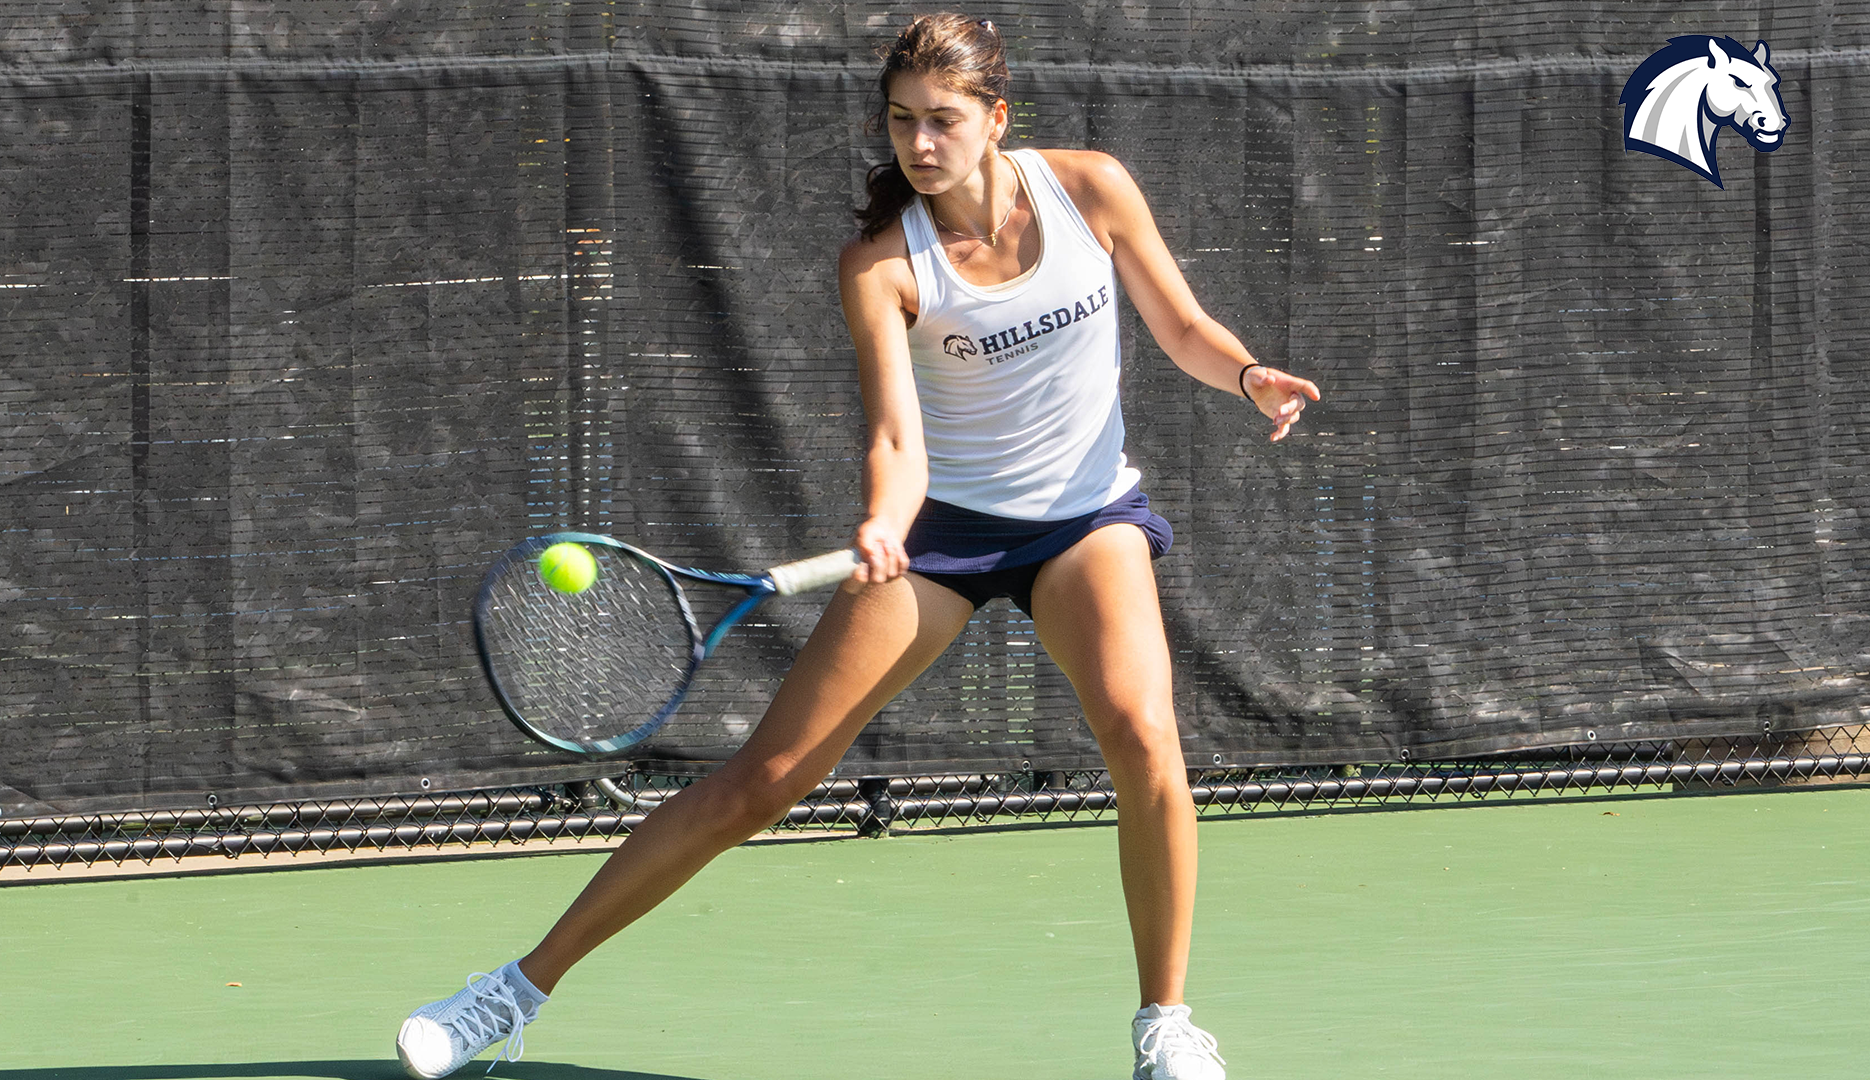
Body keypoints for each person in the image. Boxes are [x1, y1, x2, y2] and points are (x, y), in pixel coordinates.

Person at [395, 13, 1320, 1080]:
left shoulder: (1090, 186)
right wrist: (885, 521)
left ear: (995, 119)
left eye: (943, 121)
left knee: (1142, 732)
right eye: (901, 122)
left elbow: (1183, 327)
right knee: (766, 779)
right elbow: (893, 433)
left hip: (1084, 519)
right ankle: (510, 992)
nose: (920, 145)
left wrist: (1249, 374)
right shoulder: (882, 264)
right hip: (941, 536)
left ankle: (1165, 1026)